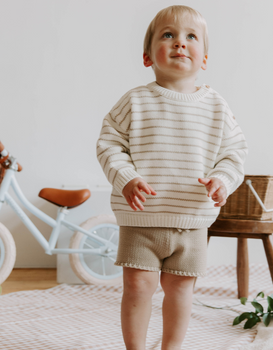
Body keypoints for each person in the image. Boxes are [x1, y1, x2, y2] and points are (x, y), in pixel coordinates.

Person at [96, 5, 248, 349]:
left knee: (181, 291)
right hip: (141, 218)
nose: (180, 43)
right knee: (137, 287)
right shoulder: (135, 101)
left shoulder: (216, 107)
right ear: (148, 57)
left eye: (190, 37)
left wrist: (222, 180)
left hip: (192, 220)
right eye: (168, 35)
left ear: (204, 59)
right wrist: (126, 177)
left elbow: (235, 152)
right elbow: (109, 144)